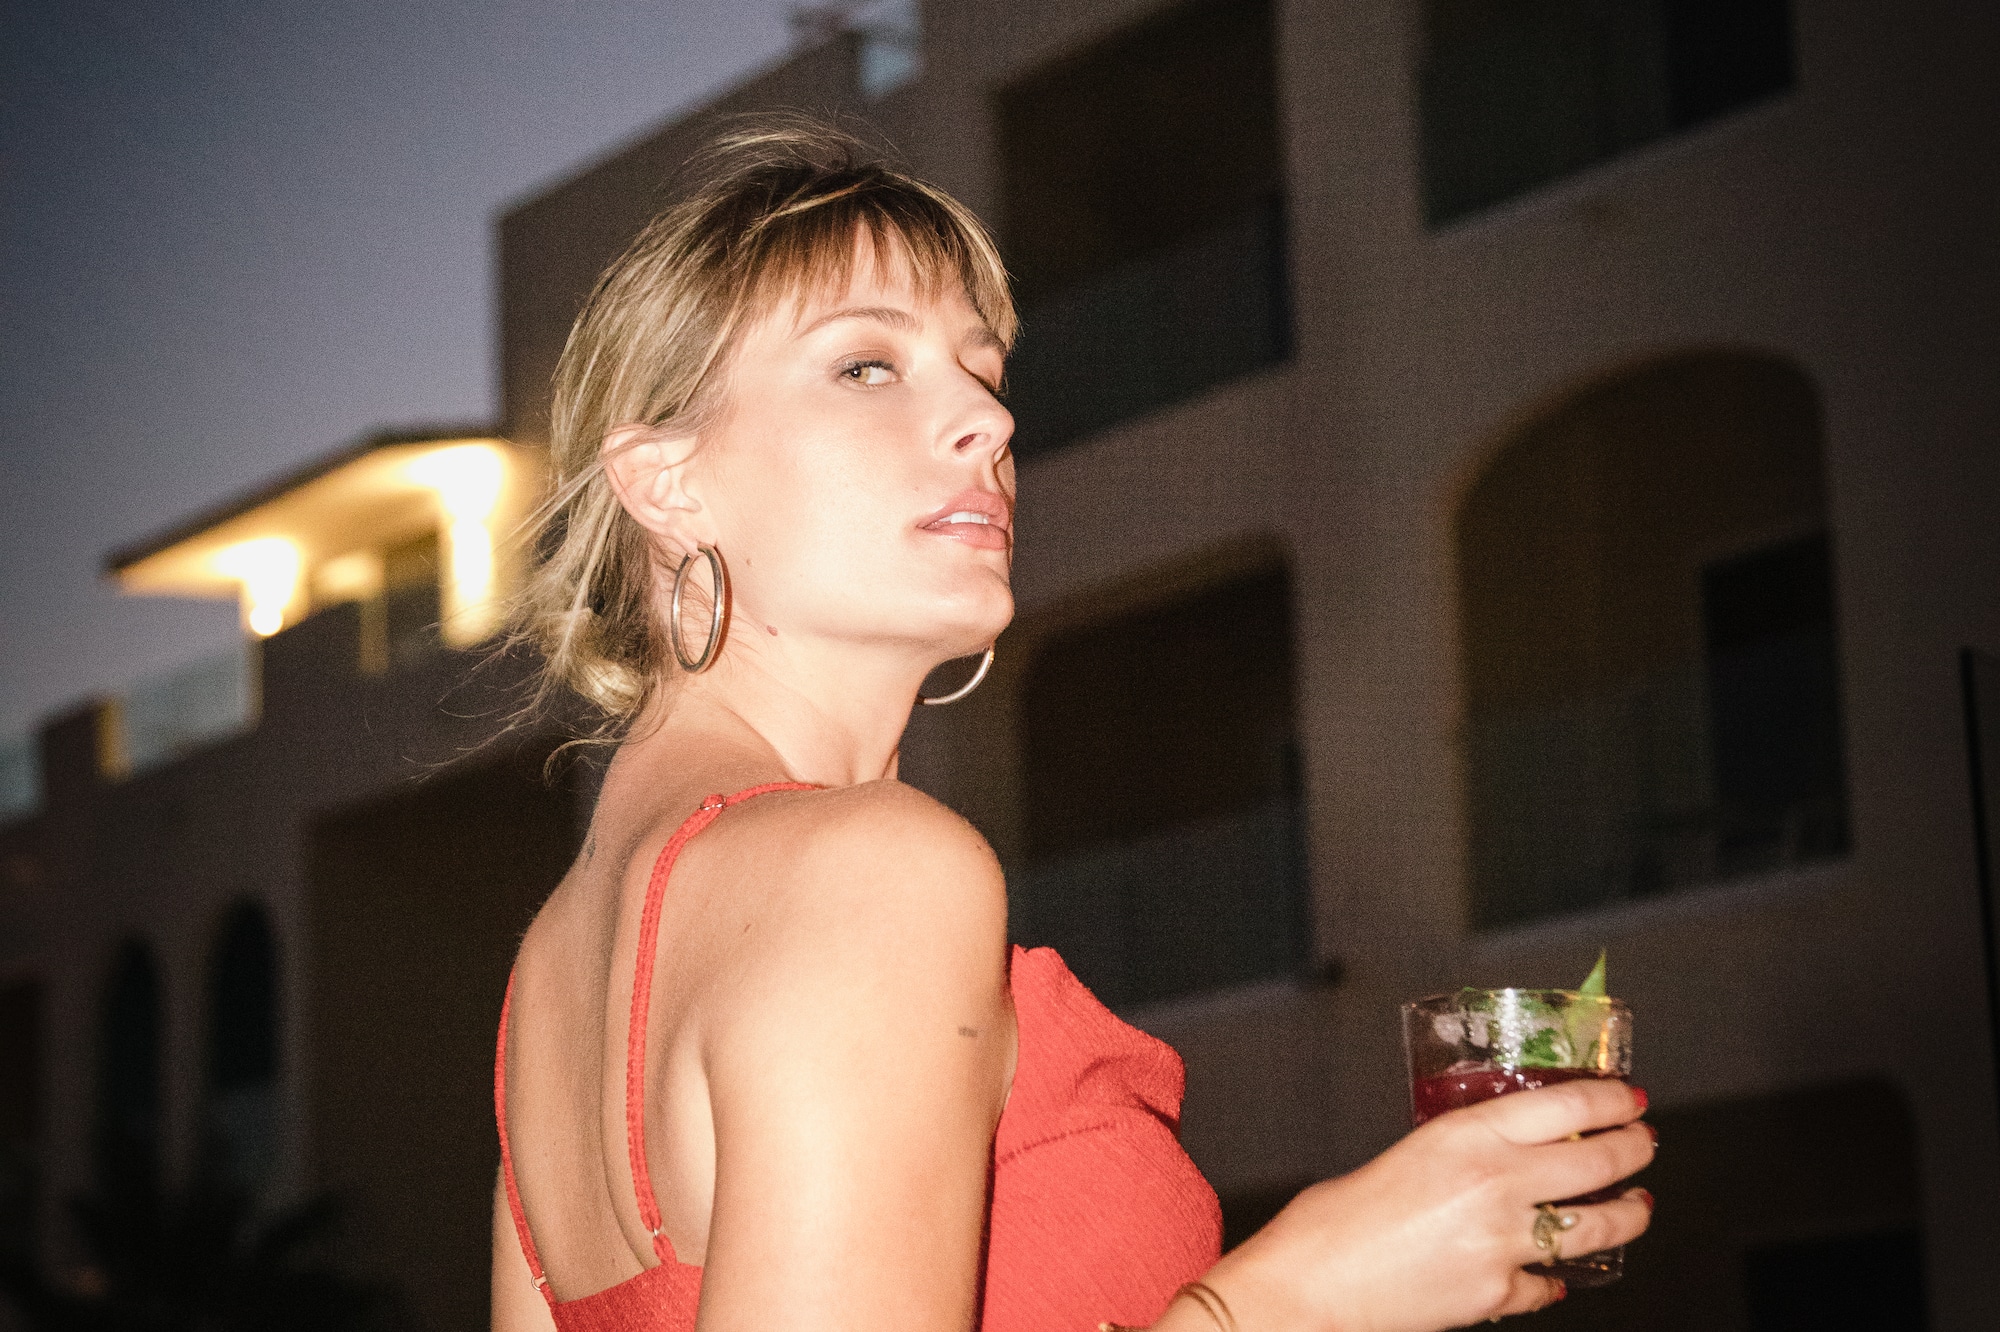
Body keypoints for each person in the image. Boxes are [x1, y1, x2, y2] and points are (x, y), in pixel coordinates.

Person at [491, 118, 1655, 1332]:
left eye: (982, 374)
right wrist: (1287, 1304)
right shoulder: (865, 871)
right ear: (663, 480)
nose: (987, 426)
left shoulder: (552, 980)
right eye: (865, 366)